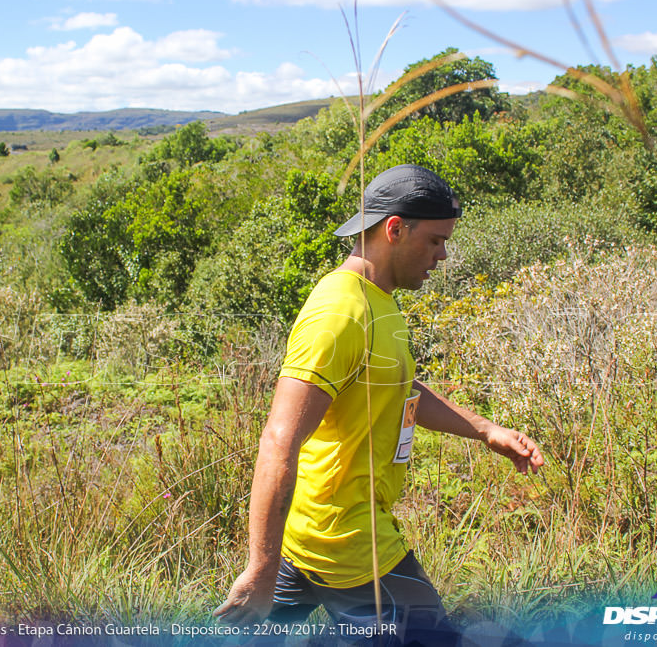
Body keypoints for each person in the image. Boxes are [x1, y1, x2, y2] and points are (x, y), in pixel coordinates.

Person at [214, 164, 544, 644]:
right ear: (394, 229)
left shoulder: (379, 301)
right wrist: (261, 571)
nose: (443, 255)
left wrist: (484, 429)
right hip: (350, 544)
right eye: (434, 241)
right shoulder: (342, 313)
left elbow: (400, 387)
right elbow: (279, 439)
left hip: (312, 533)